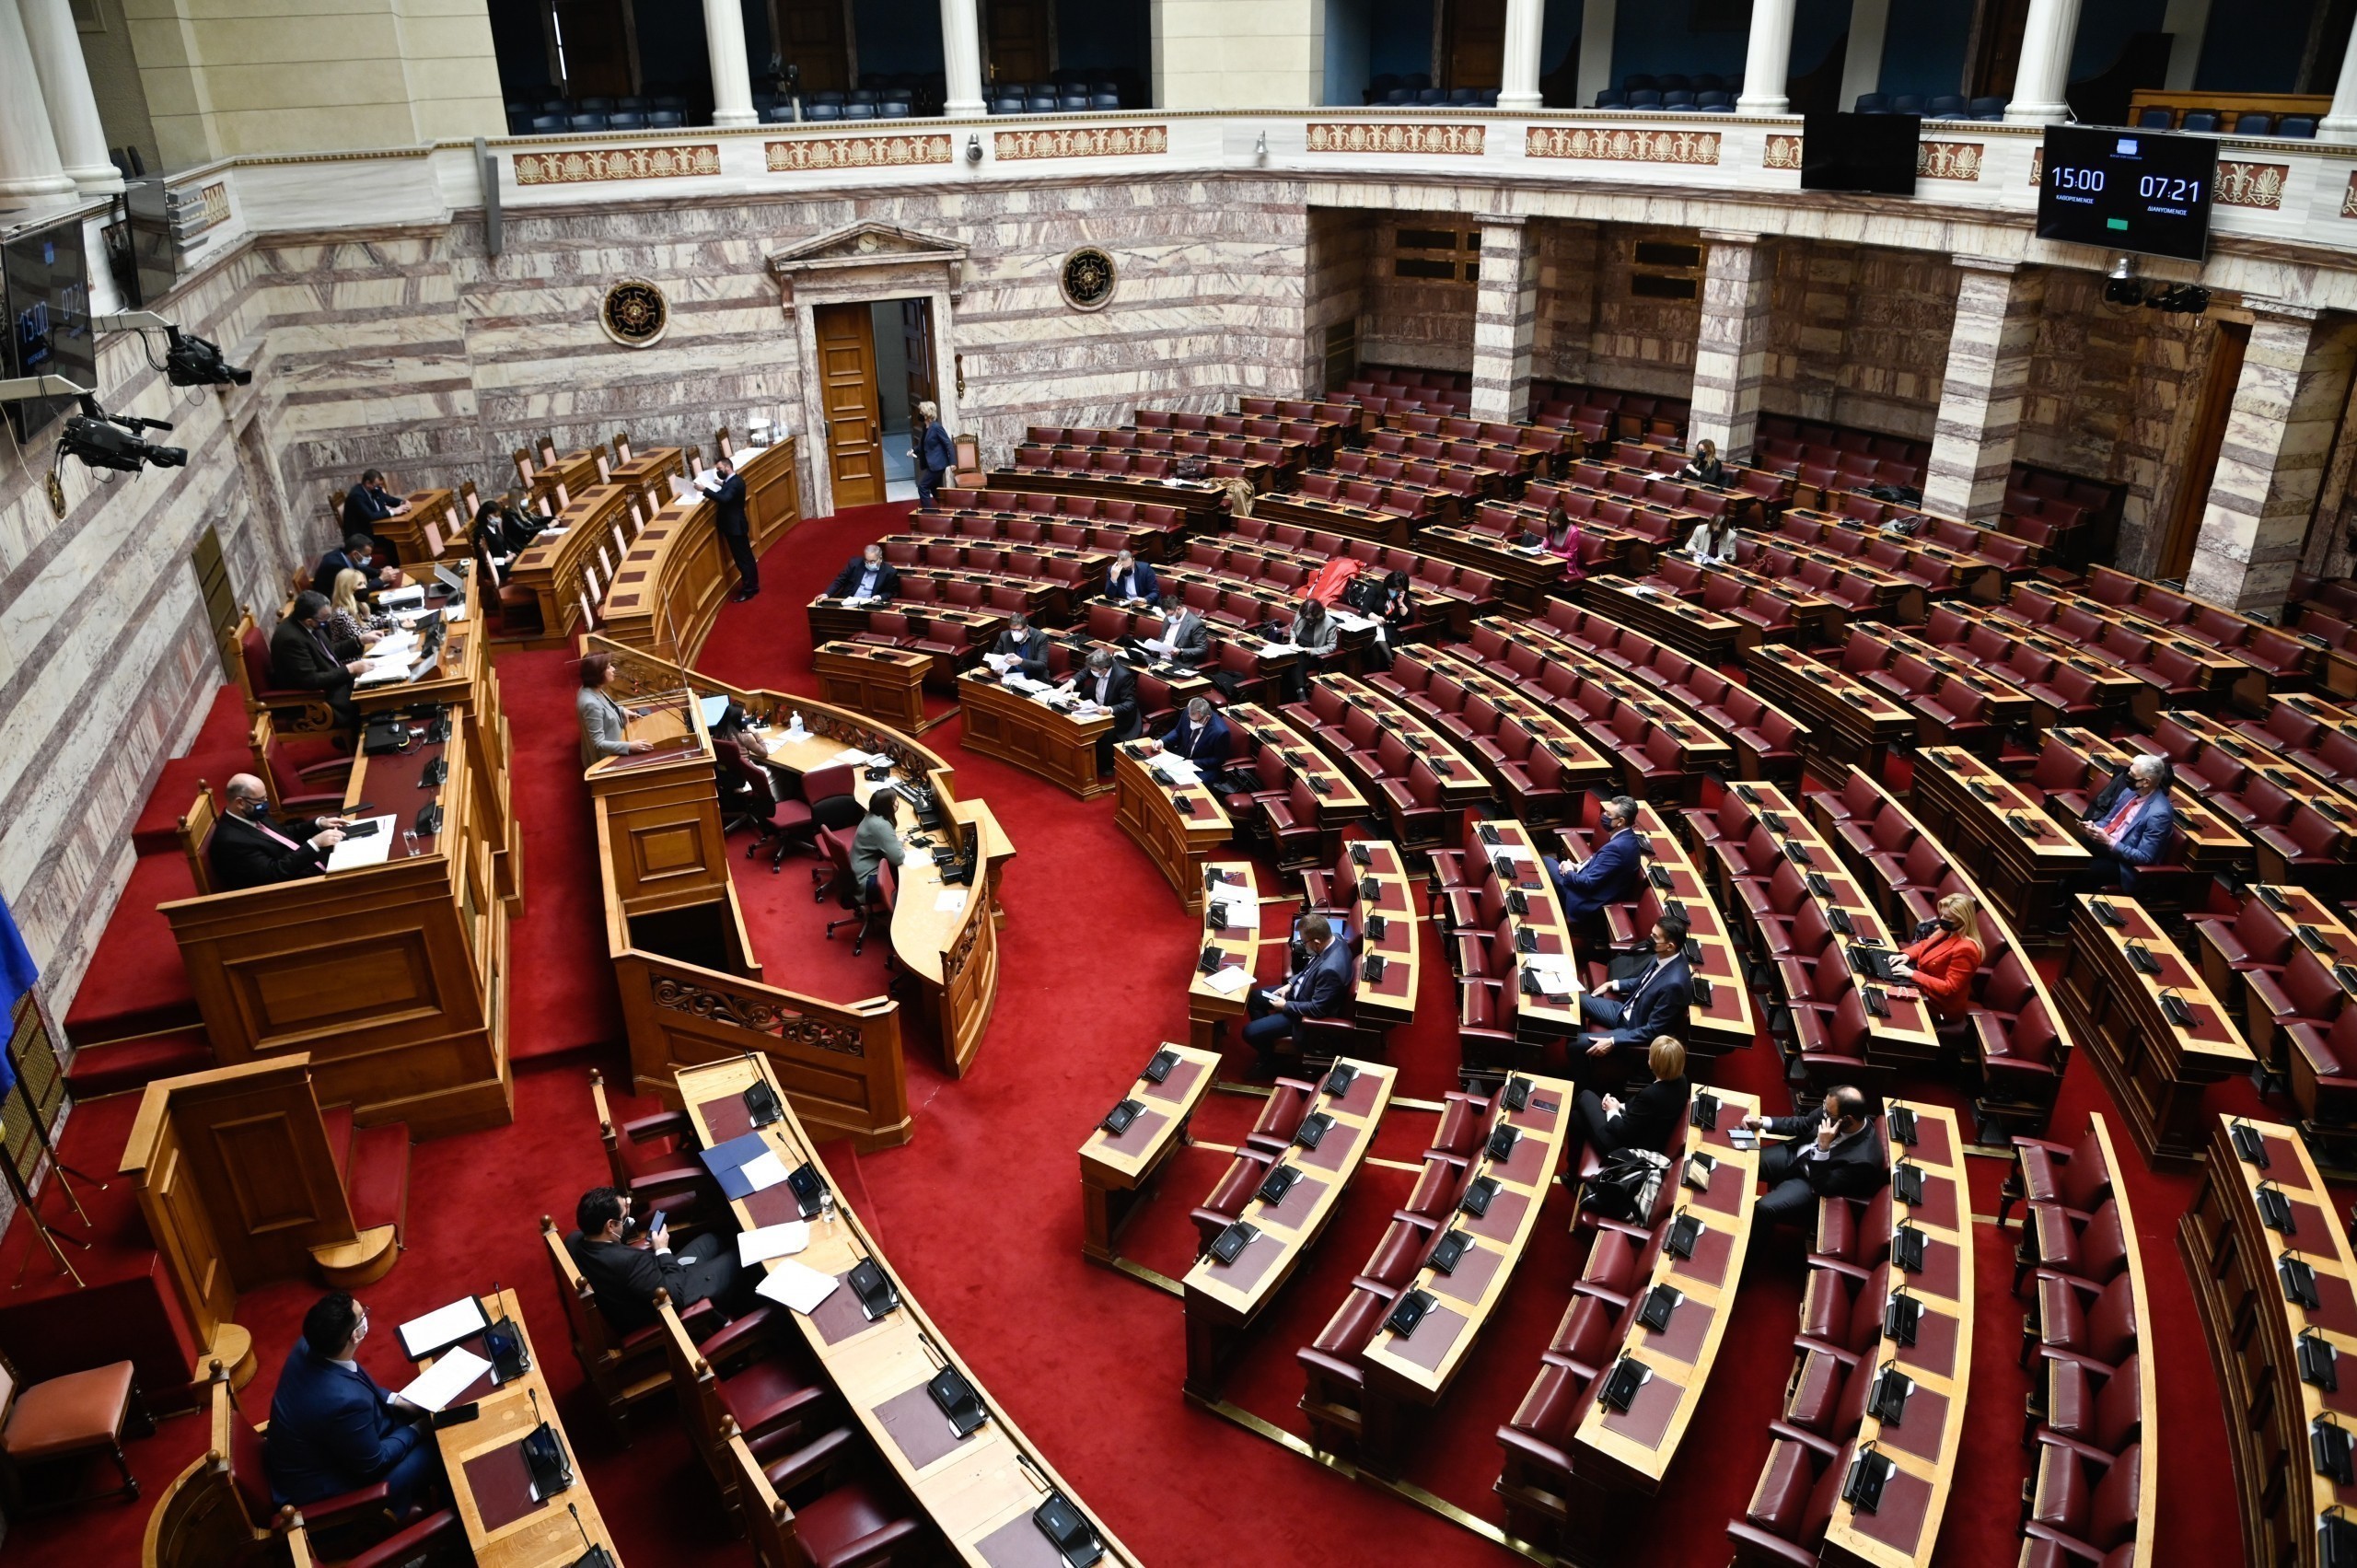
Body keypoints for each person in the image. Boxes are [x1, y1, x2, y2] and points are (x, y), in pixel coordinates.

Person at [264, 1292, 438, 1516]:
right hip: (331, 1488)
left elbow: (352, 1380)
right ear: (356, 1335)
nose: (366, 1314)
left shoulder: (309, 1345)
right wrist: (419, 1428)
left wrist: (397, 1400)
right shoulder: (344, 1402)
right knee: (438, 1445)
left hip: (324, 1447)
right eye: (362, 1314)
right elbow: (375, 1464)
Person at [567, 1186, 748, 1336]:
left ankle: (721, 1306)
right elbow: (674, 1299)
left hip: (644, 1284)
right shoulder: (631, 1262)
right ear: (610, 1225)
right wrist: (662, 1249)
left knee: (712, 1240)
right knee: (741, 1253)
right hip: (671, 1296)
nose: (626, 1217)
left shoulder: (574, 1241)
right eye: (623, 1217)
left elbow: (613, 1247)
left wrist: (624, 1224)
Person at [1742, 1086, 1888, 1232]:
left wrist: (1823, 1148)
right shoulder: (1832, 1110)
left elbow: (1824, 1185)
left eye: (1828, 1114)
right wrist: (1762, 1122)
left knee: (1764, 1208)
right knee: (1744, 1160)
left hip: (1809, 1182)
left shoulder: (1865, 1161)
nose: (1823, 1114)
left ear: (1848, 1120)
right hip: (1794, 1155)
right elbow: (1803, 1123)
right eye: (1824, 1107)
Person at [1573, 912, 1692, 1078]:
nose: (1649, 939)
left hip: (1633, 1027)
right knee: (1574, 1001)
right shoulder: (1664, 955)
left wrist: (1613, 1041)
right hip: (1625, 1010)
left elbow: (1653, 1030)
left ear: (1670, 946)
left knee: (1575, 1044)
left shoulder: (1675, 984)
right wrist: (1613, 984)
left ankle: (1583, 1084)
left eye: (1655, 937)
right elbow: (1645, 981)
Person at [1243, 912, 1353, 1072]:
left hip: (1302, 1015)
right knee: (1254, 997)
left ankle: (1270, 1060)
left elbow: (1317, 1009)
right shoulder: (1334, 938)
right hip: (1299, 991)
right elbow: (1309, 968)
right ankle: (1269, 1048)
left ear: (1316, 942)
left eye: (1304, 941)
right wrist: (1290, 984)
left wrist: (1285, 1006)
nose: (1301, 944)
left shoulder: (1331, 971)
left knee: (1249, 1032)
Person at [211, 773, 348, 889]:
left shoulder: (250, 813)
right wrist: (315, 844)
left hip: (307, 865)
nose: (265, 803)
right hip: (296, 888)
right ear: (240, 803)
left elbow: (282, 835)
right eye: (261, 800)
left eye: (265, 797)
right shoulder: (230, 842)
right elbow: (273, 875)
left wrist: (318, 825)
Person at [1570, 1035, 1690, 1166]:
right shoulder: (1681, 1080)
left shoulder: (1650, 1095)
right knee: (1576, 1118)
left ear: (1653, 1062)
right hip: (1647, 1133)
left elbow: (1623, 1132)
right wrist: (1618, 1106)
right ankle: (1572, 1168)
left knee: (1585, 1095)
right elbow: (1644, 1112)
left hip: (1623, 1149)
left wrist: (1612, 1110)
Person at [2072, 753, 2177, 896]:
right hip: (2109, 847)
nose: (2126, 776)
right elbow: (2108, 820)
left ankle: (2068, 902)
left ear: (2146, 782)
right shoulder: (2130, 792)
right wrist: (2094, 827)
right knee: (2073, 850)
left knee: (2087, 870)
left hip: (2125, 865)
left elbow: (2144, 857)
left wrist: (2108, 841)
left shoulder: (2159, 814)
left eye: (2132, 774)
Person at [272, 590, 366, 730]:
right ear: (309, 621)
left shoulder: (310, 623)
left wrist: (360, 640)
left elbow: (329, 652)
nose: (328, 622)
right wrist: (350, 669)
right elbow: (311, 680)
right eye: (325, 619)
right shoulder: (291, 640)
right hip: (318, 699)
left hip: (333, 682)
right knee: (369, 699)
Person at [1549, 796, 1646, 924]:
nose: (1603, 816)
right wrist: (1577, 867)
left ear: (1620, 821)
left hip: (1588, 900)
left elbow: (1588, 883)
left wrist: (1569, 872)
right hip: (1593, 884)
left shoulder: (1617, 848)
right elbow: (1601, 866)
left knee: (1546, 862)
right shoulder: (1626, 837)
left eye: (1608, 814)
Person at [1892, 892, 1984, 1022]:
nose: (1942, 919)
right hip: (1922, 987)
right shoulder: (1948, 930)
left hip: (1937, 1005)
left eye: (1948, 917)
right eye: (1942, 914)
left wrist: (1913, 974)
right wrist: (1907, 955)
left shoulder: (1967, 949)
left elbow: (1949, 988)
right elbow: (1925, 944)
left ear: (1962, 920)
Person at [577, 651, 655, 765]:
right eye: (609, 667)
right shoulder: (590, 704)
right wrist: (630, 746)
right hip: (606, 760)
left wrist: (621, 710)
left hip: (617, 740)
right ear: (598, 673)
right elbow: (598, 744)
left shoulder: (591, 688)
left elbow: (603, 708)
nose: (613, 669)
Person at [699, 455, 757, 601]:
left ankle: (748, 590)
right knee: (747, 558)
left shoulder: (734, 484)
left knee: (743, 561)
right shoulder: (734, 480)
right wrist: (722, 484)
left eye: (719, 469)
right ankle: (753, 586)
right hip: (737, 525)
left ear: (727, 467)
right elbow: (729, 490)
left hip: (735, 527)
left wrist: (705, 490)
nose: (718, 471)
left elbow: (725, 499)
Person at [1069, 648, 1139, 766]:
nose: (1091, 671)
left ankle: (1105, 766)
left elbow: (1130, 703)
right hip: (1097, 708)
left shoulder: (1123, 676)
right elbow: (1085, 671)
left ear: (1104, 670)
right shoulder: (1097, 667)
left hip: (1118, 717)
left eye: (1094, 670)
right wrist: (1071, 682)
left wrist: (1110, 709)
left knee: (1105, 731)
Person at [341, 469, 410, 562]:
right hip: (362, 534)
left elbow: (388, 499)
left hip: (374, 528)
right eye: (376, 485)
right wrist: (393, 511)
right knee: (393, 540)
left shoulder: (374, 489)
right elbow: (371, 516)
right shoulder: (356, 496)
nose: (378, 488)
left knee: (397, 535)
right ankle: (396, 565)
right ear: (368, 483)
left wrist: (402, 503)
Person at [1281, 596, 1337, 703]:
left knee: (1295, 661)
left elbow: (1332, 646)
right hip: (1296, 649)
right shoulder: (1301, 614)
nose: (1307, 619)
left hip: (1313, 656)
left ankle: (1301, 695)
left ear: (1317, 615)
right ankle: (1300, 694)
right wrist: (1293, 638)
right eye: (1305, 617)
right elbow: (1293, 629)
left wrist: (1312, 651)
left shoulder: (1329, 623)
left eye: (1310, 618)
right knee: (1289, 660)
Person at [850, 792, 905, 897]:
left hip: (857, 870)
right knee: (906, 881)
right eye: (895, 801)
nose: (897, 803)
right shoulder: (881, 825)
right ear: (887, 807)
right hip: (866, 880)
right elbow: (898, 858)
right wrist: (899, 844)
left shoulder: (871, 815)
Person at [313, 533, 401, 595]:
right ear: (355, 554)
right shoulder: (335, 565)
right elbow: (357, 592)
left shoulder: (345, 555)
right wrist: (381, 579)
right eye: (366, 555)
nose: (369, 558)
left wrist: (380, 572)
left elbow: (360, 567)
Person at [325, 569, 387, 656]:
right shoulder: (340, 613)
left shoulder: (358, 605)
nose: (364, 587)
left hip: (366, 651)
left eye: (364, 583)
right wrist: (367, 617)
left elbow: (375, 621)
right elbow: (361, 638)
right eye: (359, 584)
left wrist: (397, 621)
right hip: (352, 658)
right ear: (347, 588)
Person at [1156, 697, 1232, 766]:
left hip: (1202, 767)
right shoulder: (1188, 712)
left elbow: (1219, 759)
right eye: (1190, 718)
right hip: (1182, 756)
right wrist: (1162, 741)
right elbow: (1178, 731)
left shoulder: (1220, 732)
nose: (1191, 722)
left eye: (1195, 721)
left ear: (1207, 718)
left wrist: (1194, 762)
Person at [984, 611, 1051, 680]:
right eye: (1012, 630)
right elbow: (993, 659)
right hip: (1011, 678)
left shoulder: (1040, 638)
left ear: (1026, 628)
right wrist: (996, 669)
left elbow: (1041, 665)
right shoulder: (1005, 636)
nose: (1014, 633)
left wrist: (1021, 661)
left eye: (1018, 630)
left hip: (1034, 678)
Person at [1140, 601, 1210, 667]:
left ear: (1178, 609)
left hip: (1178, 663)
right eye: (1167, 615)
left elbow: (1202, 649)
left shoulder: (1196, 623)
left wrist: (1181, 651)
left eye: (1170, 615)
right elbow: (1162, 638)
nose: (1169, 617)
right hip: (1160, 659)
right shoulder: (1168, 618)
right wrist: (1155, 648)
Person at [911, 401, 954, 506]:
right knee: (935, 488)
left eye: (921, 412)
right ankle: (947, 507)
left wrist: (953, 462)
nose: (919, 414)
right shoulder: (926, 428)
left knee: (923, 486)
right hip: (932, 464)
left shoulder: (936, 427)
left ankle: (928, 512)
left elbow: (948, 444)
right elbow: (924, 445)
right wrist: (914, 450)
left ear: (927, 414)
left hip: (937, 464)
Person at [827, 544, 900, 602]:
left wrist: (880, 597)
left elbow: (891, 592)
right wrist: (827, 594)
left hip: (870, 603)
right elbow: (840, 580)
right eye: (866, 561)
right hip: (849, 600)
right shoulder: (854, 563)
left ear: (880, 559)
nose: (869, 564)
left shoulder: (890, 572)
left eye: (872, 561)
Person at [1543, 508, 1586, 584]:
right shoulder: (1553, 527)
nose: (1551, 526)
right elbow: (1548, 538)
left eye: (1553, 524)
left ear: (1561, 522)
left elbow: (1571, 555)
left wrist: (1553, 553)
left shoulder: (1574, 532)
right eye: (1550, 524)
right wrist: (1542, 545)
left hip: (1566, 563)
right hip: (1552, 558)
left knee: (1544, 571)